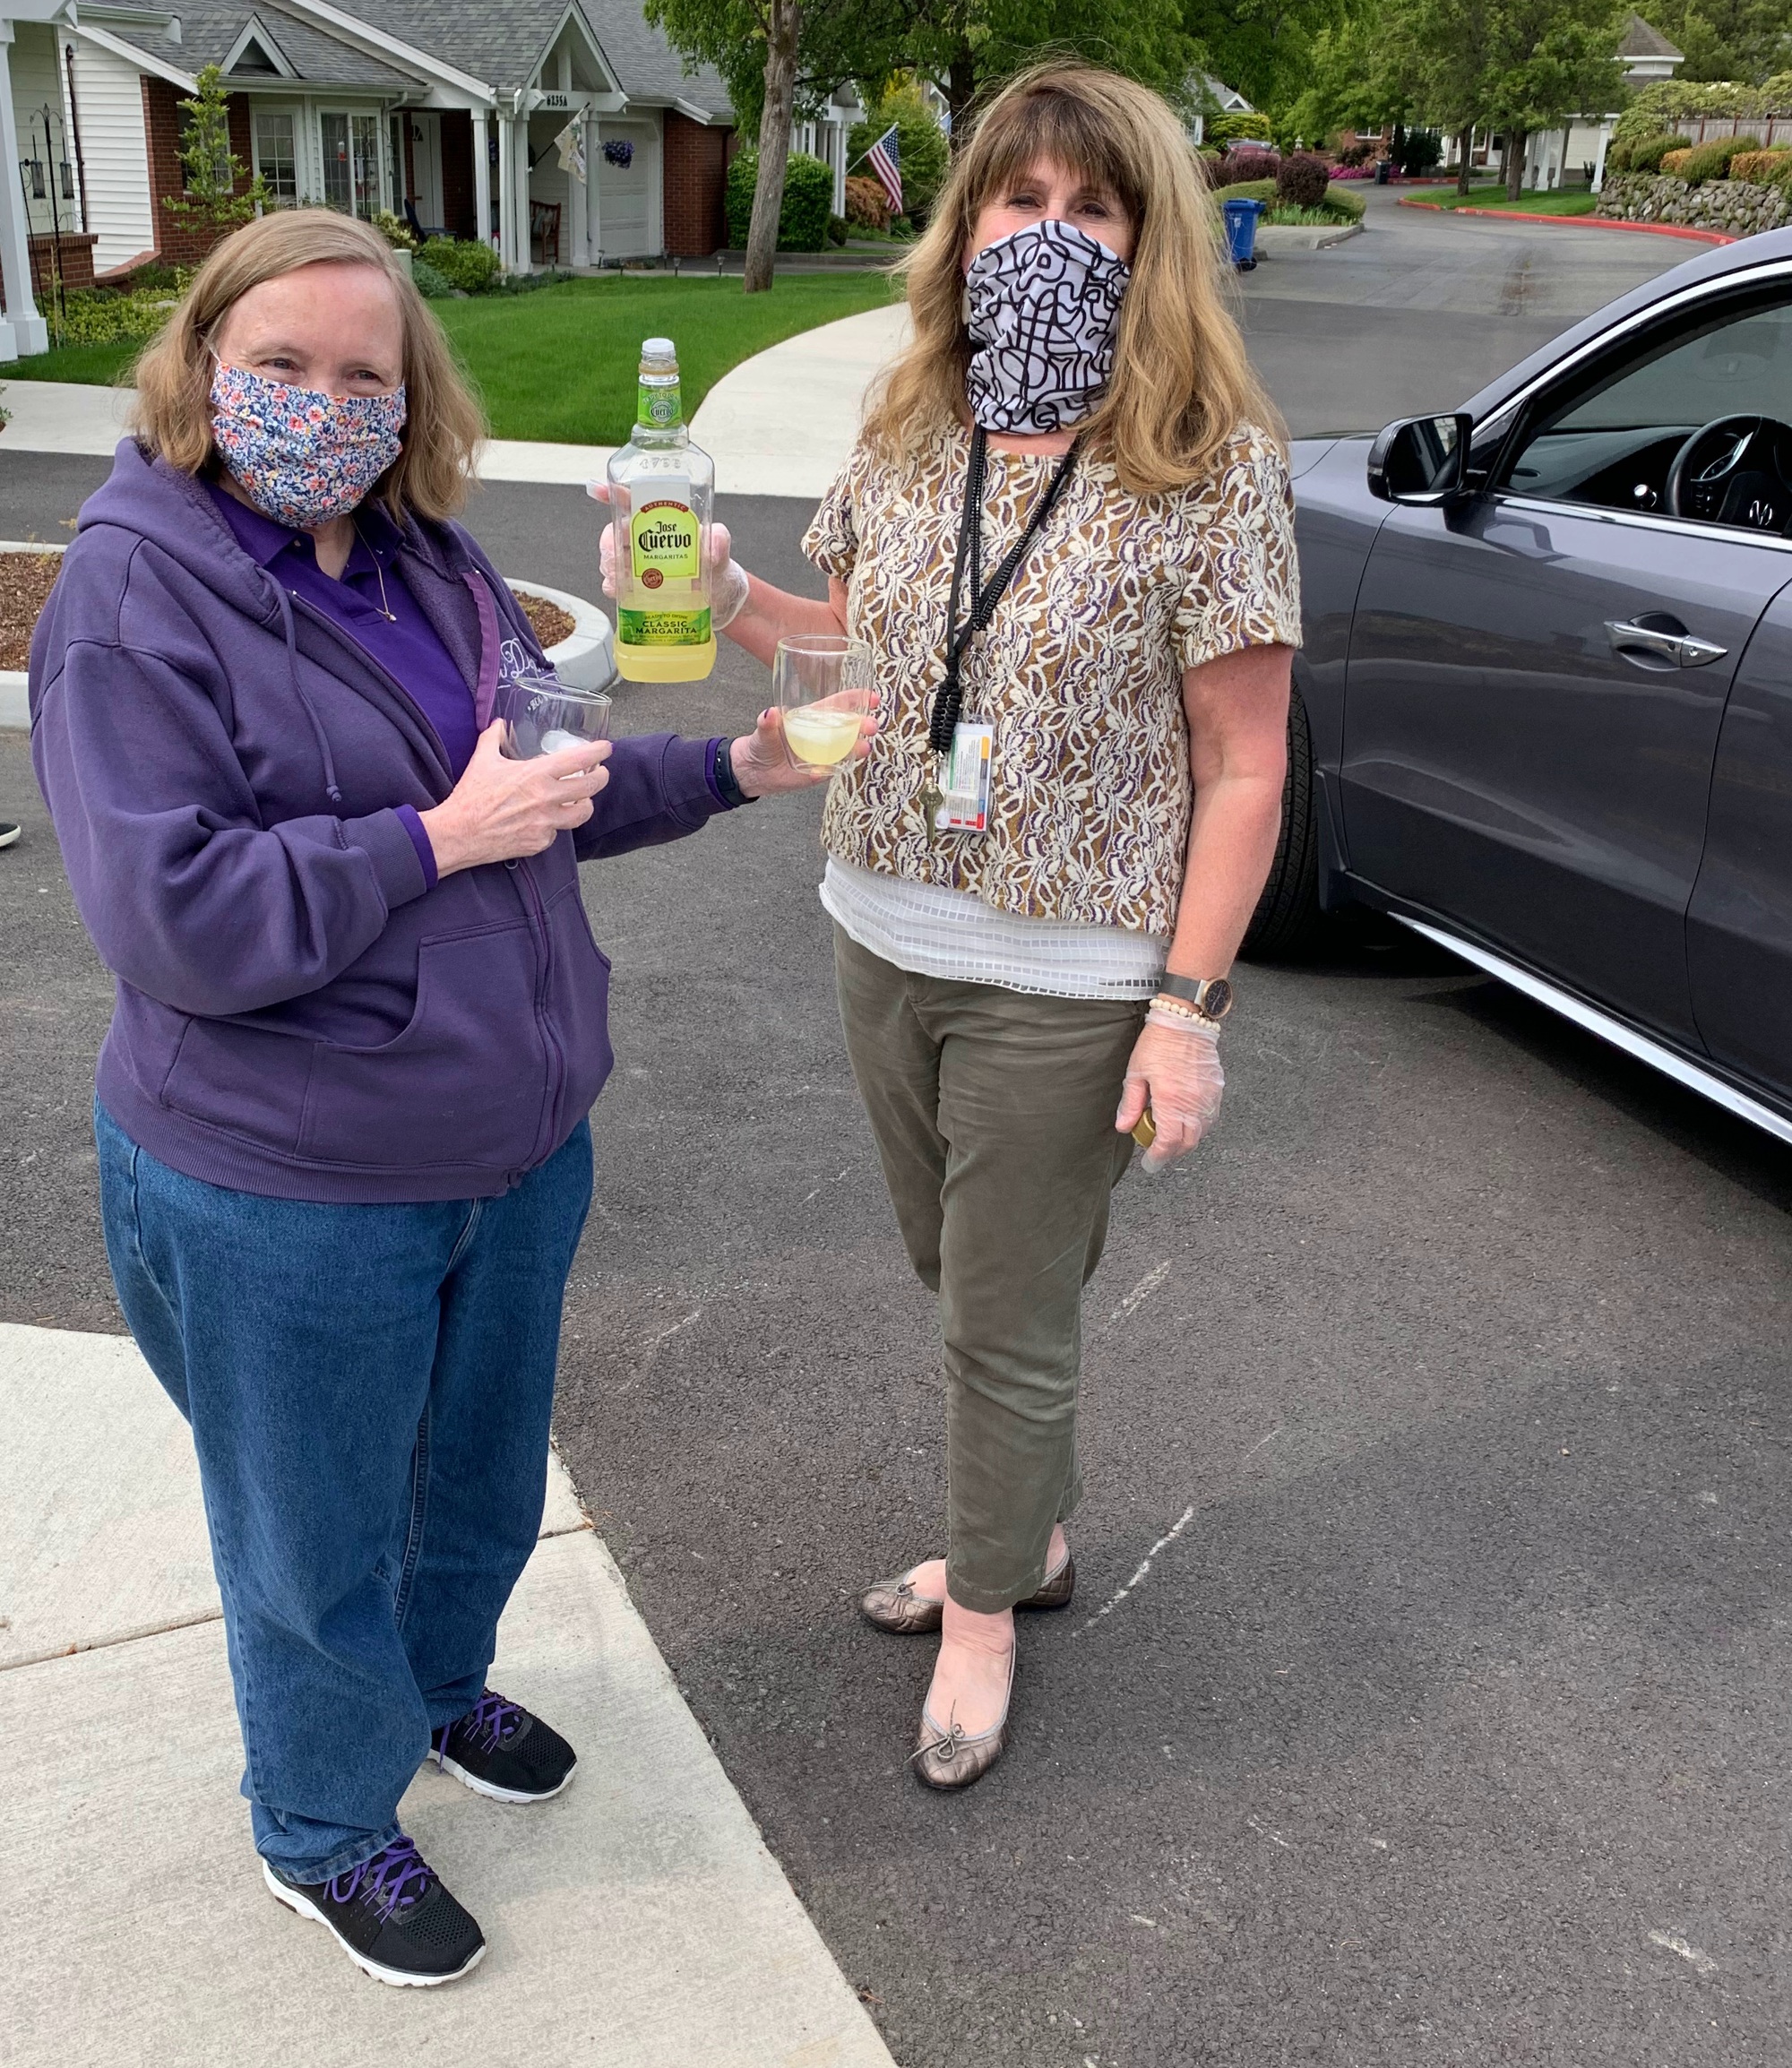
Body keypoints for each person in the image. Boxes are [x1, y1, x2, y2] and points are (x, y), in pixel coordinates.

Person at [29, 208, 861, 1986]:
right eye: (280, 366)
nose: (323, 403)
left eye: (365, 375)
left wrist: (737, 762)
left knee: (471, 1485)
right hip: (288, 1179)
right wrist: (428, 839)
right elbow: (172, 914)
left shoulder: (432, 566)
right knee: (311, 1524)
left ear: (415, 404)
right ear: (201, 368)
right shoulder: (133, 593)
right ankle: (320, 1821)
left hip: (509, 1145)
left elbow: (540, 775)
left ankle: (426, 1689)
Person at [702, 64, 1300, 1788]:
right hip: (878, 923)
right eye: (1017, 202)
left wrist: (1188, 1009)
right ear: (966, 224)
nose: (1048, 237)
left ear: (1150, 238)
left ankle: (985, 1614)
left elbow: (1244, 764)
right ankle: (1019, 1533)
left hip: (1074, 966)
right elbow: (856, 640)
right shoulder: (910, 426)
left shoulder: (1206, 462)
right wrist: (726, 593)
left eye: (1091, 209)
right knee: (954, 1274)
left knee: (1001, 1315)